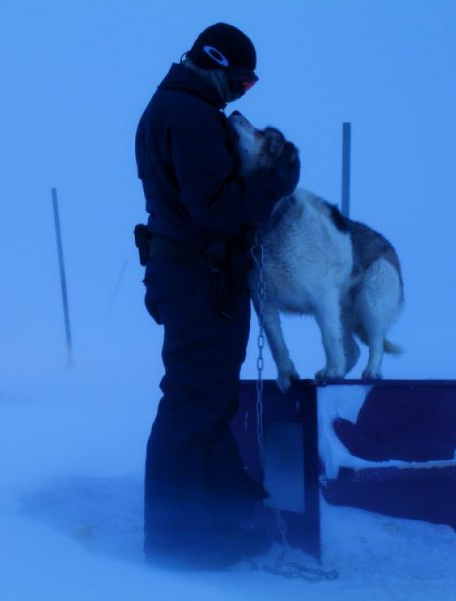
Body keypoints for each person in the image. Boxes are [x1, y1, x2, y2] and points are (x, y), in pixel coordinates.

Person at [134, 22, 301, 569]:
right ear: (212, 60)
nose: (242, 90)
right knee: (192, 406)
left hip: (192, 278)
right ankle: (175, 543)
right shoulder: (190, 116)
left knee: (205, 404)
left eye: (251, 85)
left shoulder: (174, 109)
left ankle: (210, 528)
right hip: (198, 281)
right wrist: (276, 180)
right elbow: (219, 209)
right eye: (241, 79)